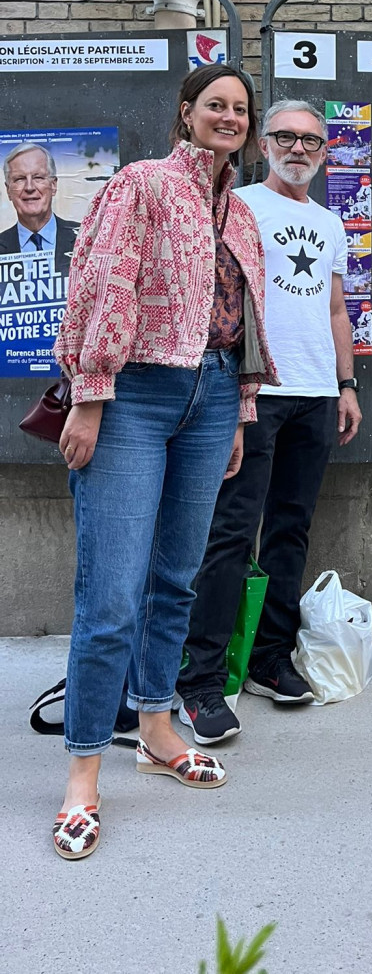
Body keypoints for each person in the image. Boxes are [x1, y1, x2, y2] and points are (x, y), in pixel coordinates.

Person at [50, 63, 278, 860]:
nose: (229, 116)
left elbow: (242, 316)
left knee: (176, 577)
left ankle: (154, 724)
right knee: (110, 595)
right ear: (186, 114)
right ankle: (82, 773)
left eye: (240, 109)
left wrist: (241, 410)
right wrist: (89, 391)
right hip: (132, 396)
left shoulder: (241, 213)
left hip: (212, 397)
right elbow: (101, 281)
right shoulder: (144, 184)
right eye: (215, 104)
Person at [177, 99, 362, 744]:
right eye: (285, 136)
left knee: (291, 529)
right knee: (230, 532)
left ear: (324, 152)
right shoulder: (242, 205)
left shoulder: (332, 223)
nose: (299, 149)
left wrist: (346, 384)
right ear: (263, 144)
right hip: (252, 393)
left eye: (312, 141)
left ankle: (268, 658)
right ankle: (199, 678)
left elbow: (337, 310)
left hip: (315, 393)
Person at [0, 142, 79, 264]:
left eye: (38, 177)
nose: (29, 187)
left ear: (53, 185)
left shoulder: (84, 237)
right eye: (20, 179)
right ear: (8, 190)